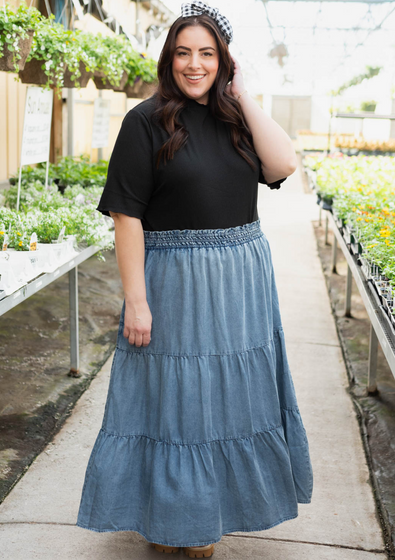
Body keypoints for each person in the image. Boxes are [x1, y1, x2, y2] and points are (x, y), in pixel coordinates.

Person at [76, 2, 313, 558]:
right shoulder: (145, 121)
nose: (194, 64)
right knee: (175, 400)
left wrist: (242, 92)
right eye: (183, 53)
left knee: (232, 400)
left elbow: (282, 166)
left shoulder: (237, 119)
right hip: (175, 281)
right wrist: (136, 299)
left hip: (241, 281)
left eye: (207, 54)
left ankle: (212, 512)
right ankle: (172, 517)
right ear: (168, 58)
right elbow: (127, 216)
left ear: (224, 61)